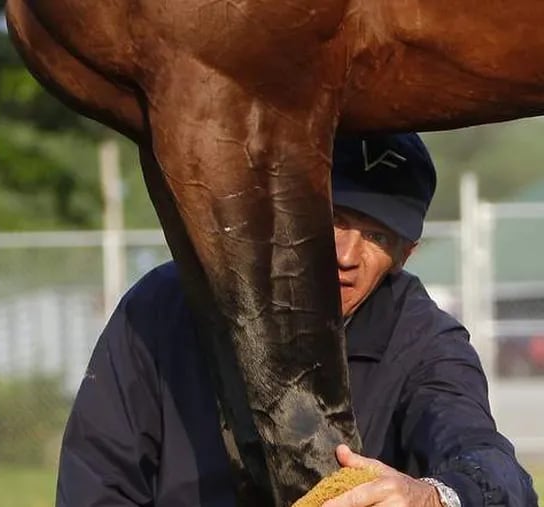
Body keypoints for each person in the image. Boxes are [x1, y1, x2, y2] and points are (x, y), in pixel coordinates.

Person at [55, 133, 538, 506]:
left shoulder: (423, 340)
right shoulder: (167, 305)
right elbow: (97, 480)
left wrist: (432, 497)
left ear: (404, 255)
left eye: (377, 235)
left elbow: (495, 469)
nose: (345, 255)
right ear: (283, 212)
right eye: (333, 218)